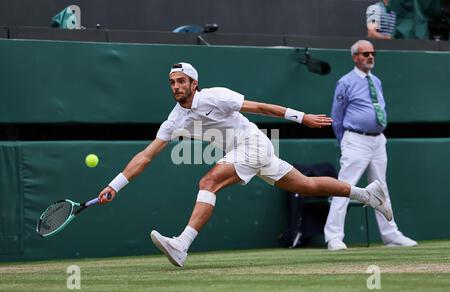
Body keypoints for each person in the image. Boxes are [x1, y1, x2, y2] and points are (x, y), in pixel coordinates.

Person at [97, 62, 393, 267]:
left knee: (208, 182)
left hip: (253, 144)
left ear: (194, 83)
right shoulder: (175, 119)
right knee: (307, 184)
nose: (176, 87)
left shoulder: (216, 96)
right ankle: (368, 194)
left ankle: (182, 244)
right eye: (172, 83)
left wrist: (301, 117)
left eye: (181, 81)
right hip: (247, 152)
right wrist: (115, 185)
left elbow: (261, 107)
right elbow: (146, 155)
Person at [324, 40, 417, 251]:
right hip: (355, 138)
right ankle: (334, 237)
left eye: (372, 53)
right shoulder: (345, 82)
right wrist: (344, 142)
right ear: (355, 57)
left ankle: (390, 235)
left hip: (378, 139)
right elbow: (336, 116)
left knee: (381, 187)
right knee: (345, 186)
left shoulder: (376, 80)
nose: (370, 57)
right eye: (365, 53)